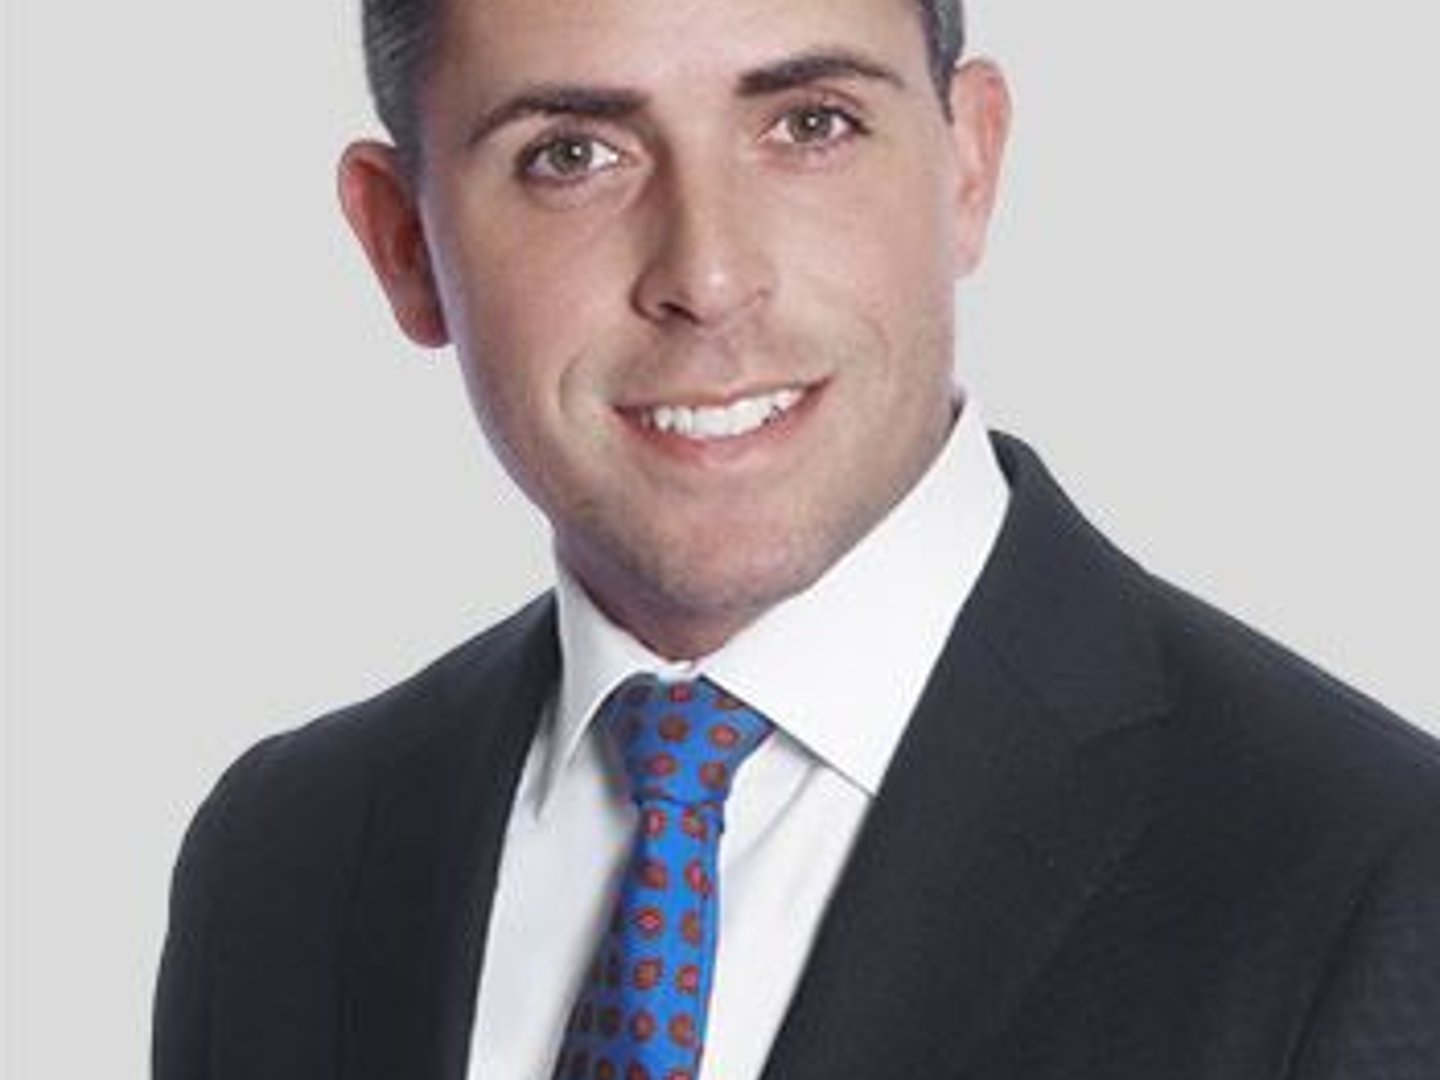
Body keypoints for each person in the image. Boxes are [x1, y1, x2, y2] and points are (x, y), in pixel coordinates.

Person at [152, 0, 1440, 1076]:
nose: (709, 276)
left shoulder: (1374, 880)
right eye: (572, 154)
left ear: (970, 162)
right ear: (403, 243)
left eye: (810, 125)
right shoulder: (283, 861)